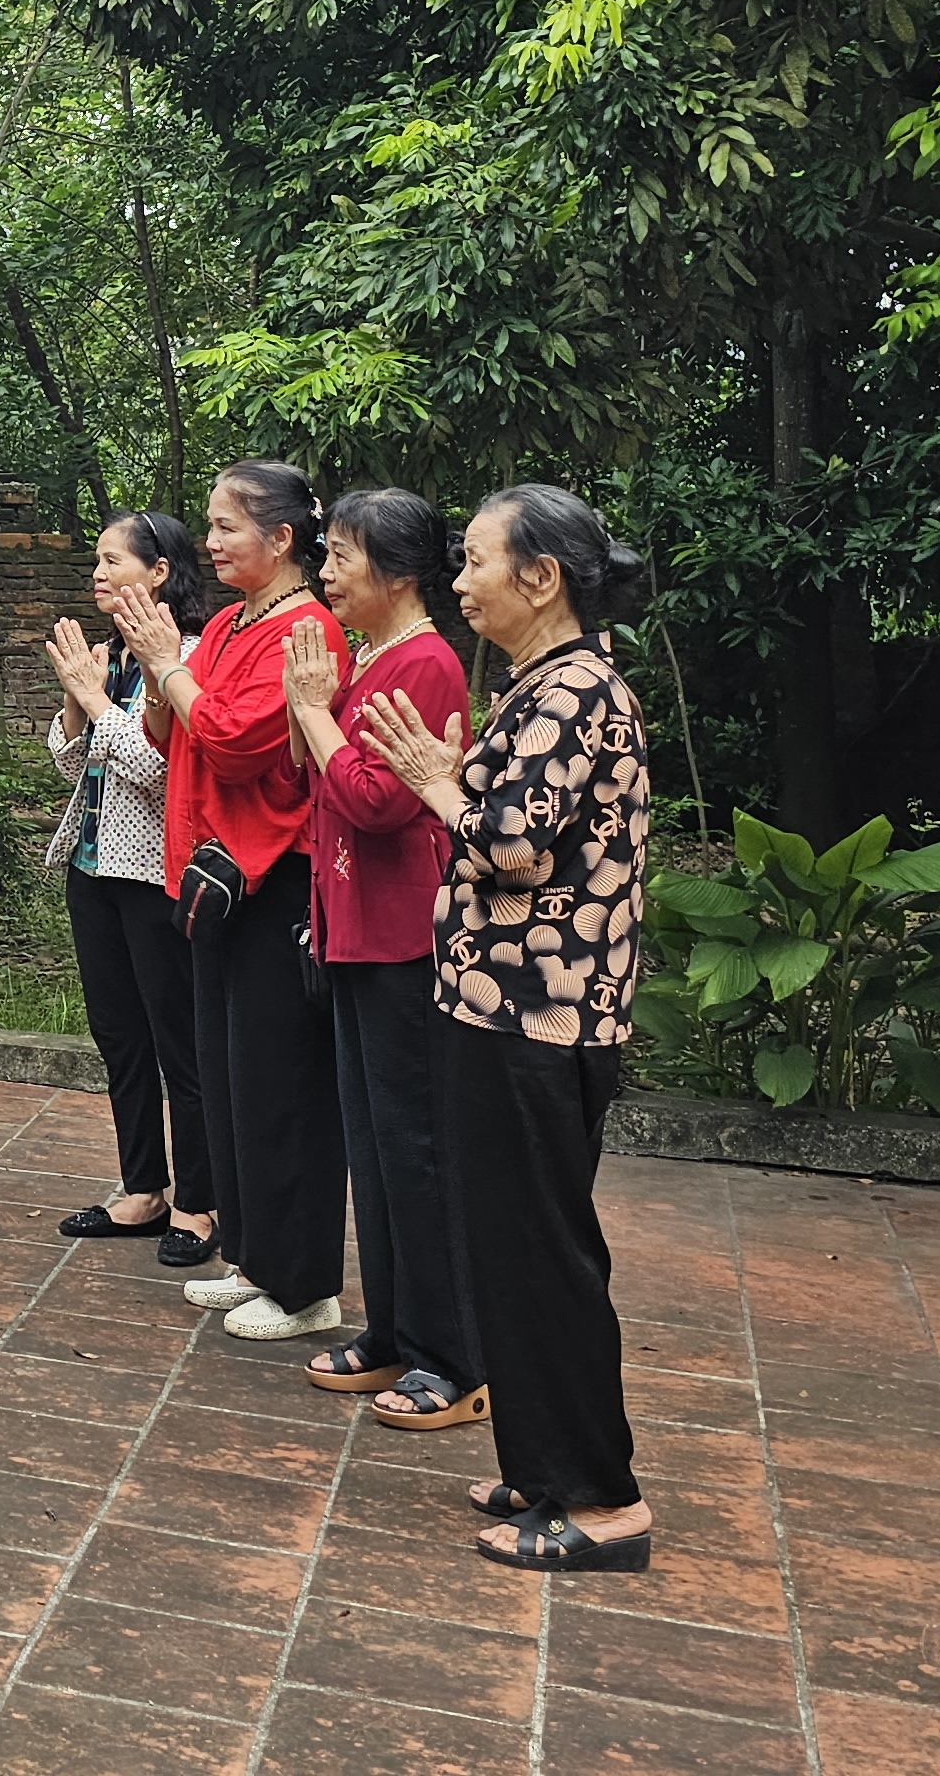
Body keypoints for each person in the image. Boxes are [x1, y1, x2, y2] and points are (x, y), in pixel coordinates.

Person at [358, 482, 659, 1572]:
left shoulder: (575, 688)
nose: (460, 579)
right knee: (505, 1246)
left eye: (477, 560)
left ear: (542, 579)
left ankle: (601, 1499)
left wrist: (436, 782)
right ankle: (541, 1463)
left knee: (543, 1254)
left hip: (542, 1019)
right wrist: (442, 776)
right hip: (496, 1011)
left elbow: (507, 845)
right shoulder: (538, 683)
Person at [103, 459, 346, 1345]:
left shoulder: (306, 629)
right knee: (232, 1079)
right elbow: (167, 731)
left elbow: (238, 744)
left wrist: (171, 665)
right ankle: (253, 1256)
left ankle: (306, 1283)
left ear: (282, 540)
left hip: (269, 877)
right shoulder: (235, 624)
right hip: (208, 878)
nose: (207, 542)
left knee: (280, 1086)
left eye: (225, 526)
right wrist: (160, 664)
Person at [281, 485, 482, 1431]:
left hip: (407, 940)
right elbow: (315, 781)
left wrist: (317, 714)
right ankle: (395, 1331)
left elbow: (378, 801)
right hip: (354, 929)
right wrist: (307, 710)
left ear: (397, 571)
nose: (326, 575)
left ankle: (453, 1356)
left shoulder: (430, 664)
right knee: (373, 1147)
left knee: (415, 1150)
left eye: (342, 557)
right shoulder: (373, 659)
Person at [40, 511, 222, 1268]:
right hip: (92, 871)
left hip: (156, 875)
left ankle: (200, 1203)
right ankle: (142, 1188)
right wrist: (79, 697)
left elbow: (157, 771)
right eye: (96, 562)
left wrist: (100, 701)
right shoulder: (111, 654)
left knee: (180, 1046)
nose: (99, 574)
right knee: (119, 1039)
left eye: (114, 561)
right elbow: (69, 760)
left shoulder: (192, 654)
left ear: (159, 572)